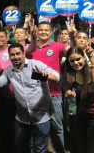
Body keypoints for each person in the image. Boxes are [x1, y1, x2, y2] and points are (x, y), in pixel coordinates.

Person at [0, 43, 60, 153]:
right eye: (12, 55)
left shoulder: (35, 65)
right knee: (22, 147)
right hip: (22, 118)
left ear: (24, 54)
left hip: (41, 117)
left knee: (40, 149)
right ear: (9, 56)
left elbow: (56, 77)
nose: (15, 57)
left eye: (18, 54)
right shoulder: (9, 71)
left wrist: (44, 76)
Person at [28, 21, 67, 153]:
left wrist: (72, 36)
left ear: (51, 33)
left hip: (54, 94)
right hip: (34, 96)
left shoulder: (57, 46)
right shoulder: (31, 47)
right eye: (41, 30)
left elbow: (71, 51)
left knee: (57, 128)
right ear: (37, 31)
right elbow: (28, 53)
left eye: (46, 30)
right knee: (36, 128)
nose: (43, 32)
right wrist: (32, 39)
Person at [0, 28, 16, 152]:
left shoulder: (13, 51)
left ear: (7, 37)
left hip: (14, 96)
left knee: (13, 126)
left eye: (2, 36)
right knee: (1, 126)